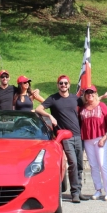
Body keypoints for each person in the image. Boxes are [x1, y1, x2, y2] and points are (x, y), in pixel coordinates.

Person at [35, 75, 89, 203]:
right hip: (65, 136)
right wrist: (50, 116)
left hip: (78, 135)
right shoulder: (53, 99)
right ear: (57, 85)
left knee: (80, 165)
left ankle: (79, 191)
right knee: (73, 163)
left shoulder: (75, 99)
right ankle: (74, 192)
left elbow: (89, 101)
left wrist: (101, 98)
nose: (63, 85)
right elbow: (38, 108)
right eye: (61, 83)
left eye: (65, 83)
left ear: (69, 85)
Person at [78, 85, 107, 201]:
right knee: (93, 165)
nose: (90, 95)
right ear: (85, 95)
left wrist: (104, 138)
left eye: (92, 92)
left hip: (100, 138)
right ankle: (98, 189)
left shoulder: (102, 106)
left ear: (95, 94)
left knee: (103, 164)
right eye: (87, 93)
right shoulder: (82, 109)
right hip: (88, 140)